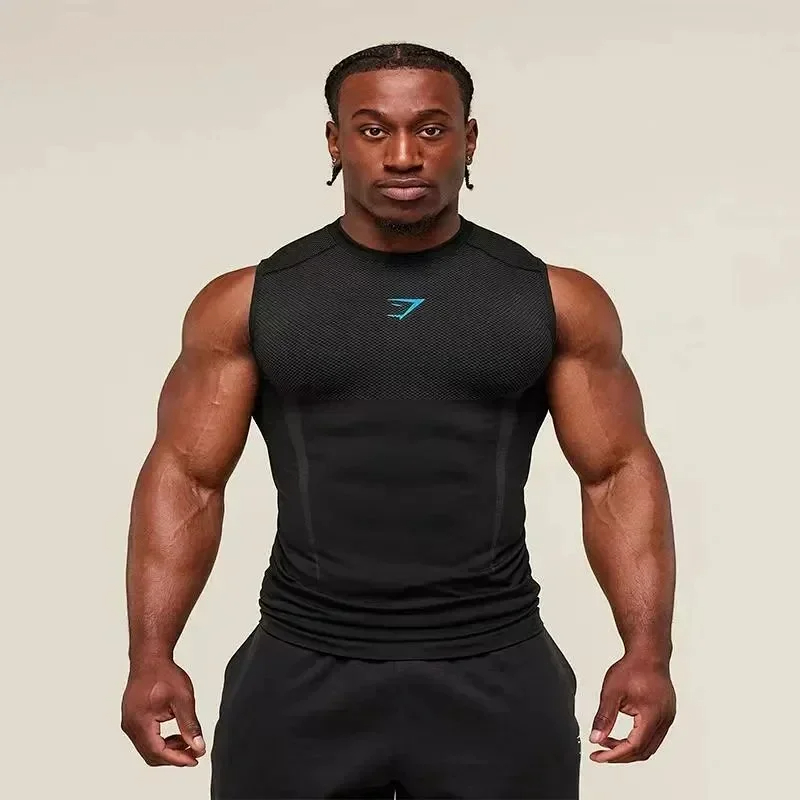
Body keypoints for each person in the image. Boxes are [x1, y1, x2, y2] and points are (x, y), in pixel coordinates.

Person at [121, 42, 677, 799]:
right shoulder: (250, 303)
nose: (404, 155)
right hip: (299, 669)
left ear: (470, 140)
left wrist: (647, 651)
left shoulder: (552, 300)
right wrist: (151, 654)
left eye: (432, 129)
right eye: (374, 130)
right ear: (334, 142)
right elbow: (187, 479)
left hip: (497, 669)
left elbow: (615, 474)